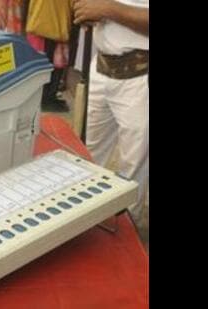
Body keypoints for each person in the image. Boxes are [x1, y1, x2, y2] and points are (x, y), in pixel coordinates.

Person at [73, 0, 149, 228]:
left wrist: (108, 9)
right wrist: (85, 12)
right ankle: (85, 222)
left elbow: (106, 7)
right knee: (89, 154)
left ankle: (127, 234)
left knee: (134, 165)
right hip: (101, 68)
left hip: (140, 76)